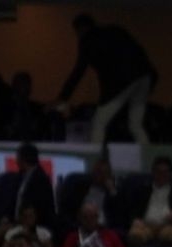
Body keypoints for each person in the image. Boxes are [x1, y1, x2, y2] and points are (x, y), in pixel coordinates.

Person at [57, 12, 155, 147]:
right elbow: (139, 51)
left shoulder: (88, 41)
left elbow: (78, 71)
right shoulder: (115, 30)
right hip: (143, 76)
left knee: (99, 123)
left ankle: (94, 154)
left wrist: (63, 97)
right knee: (135, 124)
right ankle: (148, 154)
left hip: (121, 82)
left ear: (80, 29)